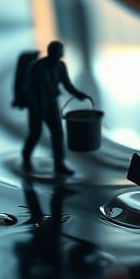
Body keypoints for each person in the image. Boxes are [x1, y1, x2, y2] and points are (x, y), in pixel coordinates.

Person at [20, 40, 89, 177]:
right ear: (50, 52)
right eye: (57, 54)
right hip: (37, 103)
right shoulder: (37, 67)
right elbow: (30, 89)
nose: (59, 57)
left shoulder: (61, 66)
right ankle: (26, 158)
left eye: (60, 54)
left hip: (52, 103)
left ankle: (59, 164)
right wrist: (34, 107)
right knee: (35, 133)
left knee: (58, 134)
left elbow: (67, 84)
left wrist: (78, 94)